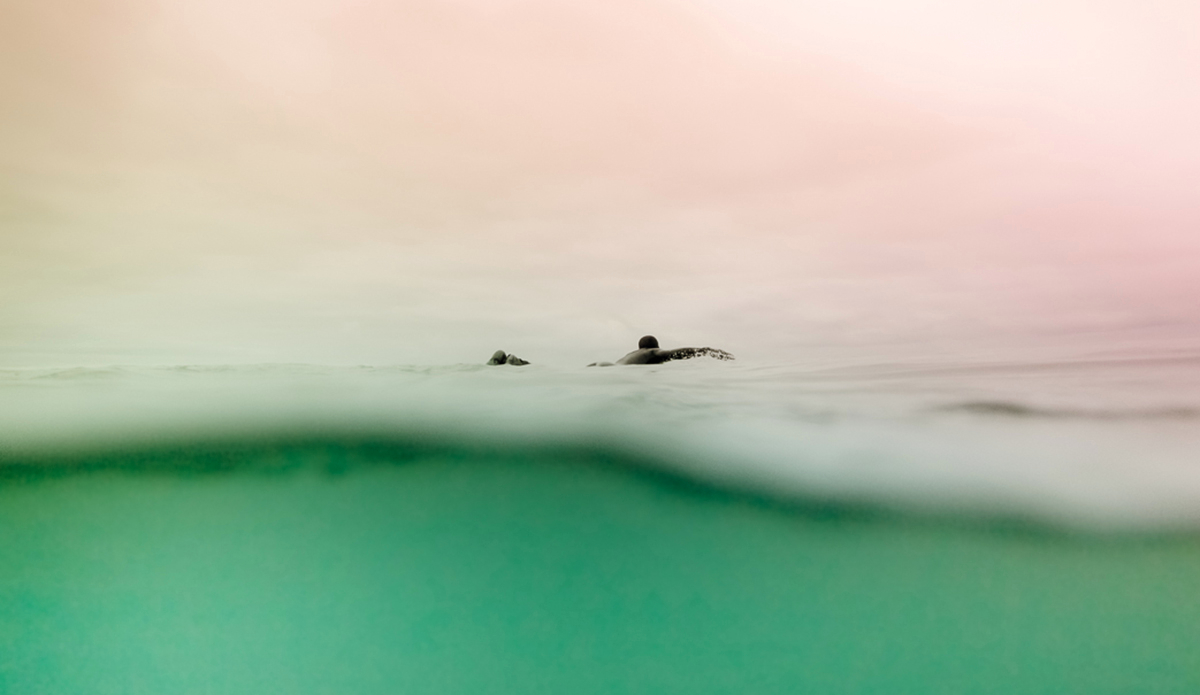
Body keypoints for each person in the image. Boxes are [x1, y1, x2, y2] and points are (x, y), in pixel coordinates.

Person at [588, 335, 734, 366]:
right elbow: (677, 353)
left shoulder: (631, 355)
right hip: (610, 368)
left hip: (603, 365)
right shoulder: (652, 352)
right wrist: (706, 350)